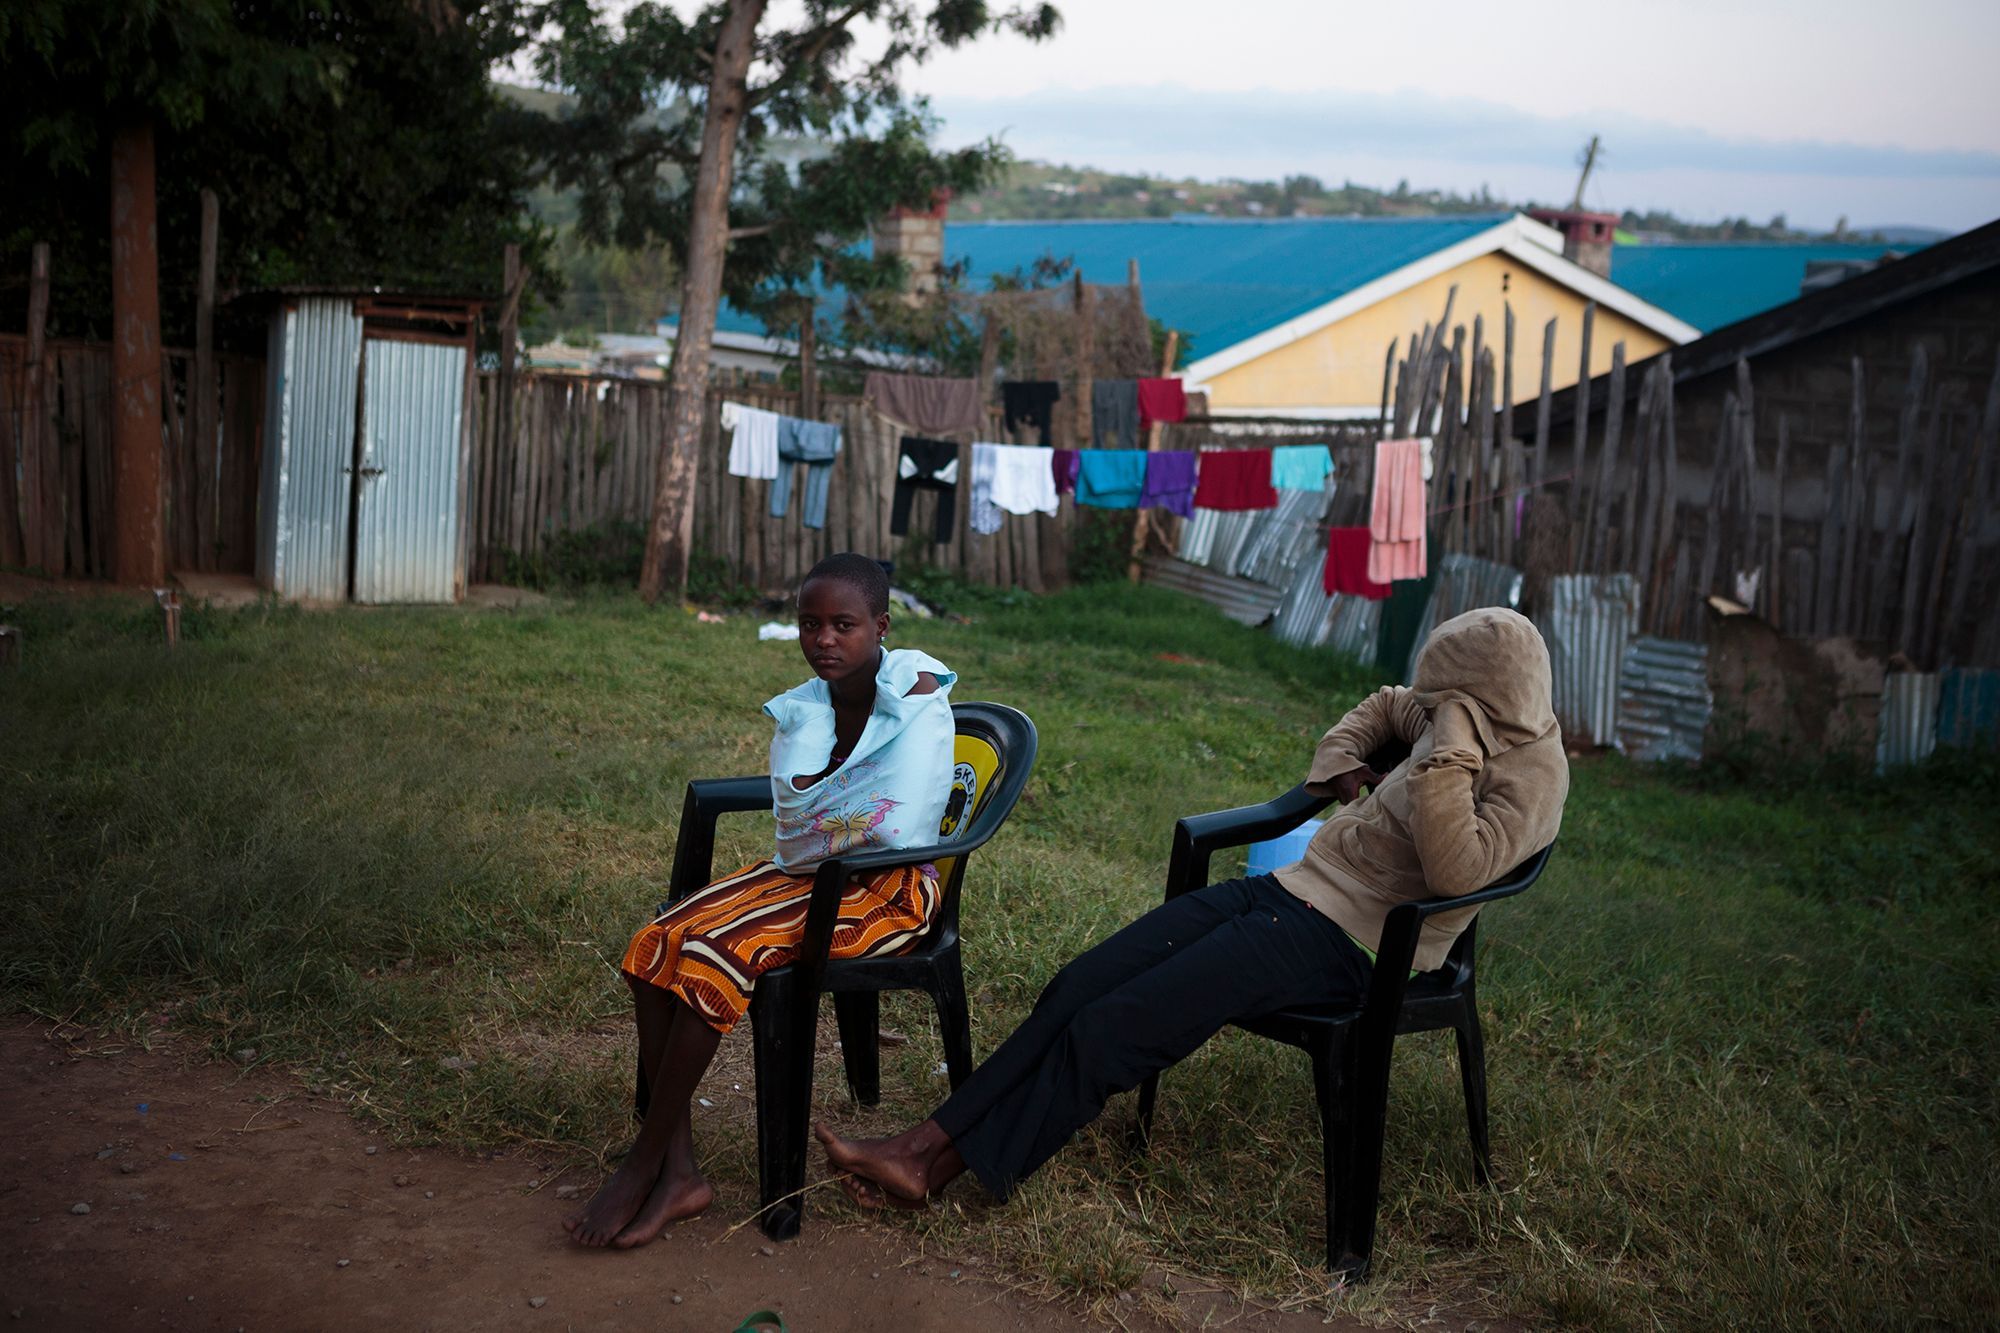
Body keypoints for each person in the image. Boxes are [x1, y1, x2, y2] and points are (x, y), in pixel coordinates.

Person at [818, 607, 1568, 1210]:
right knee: (1081, 983)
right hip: (1290, 894)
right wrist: (1346, 759)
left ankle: (939, 1166)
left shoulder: (1529, 775)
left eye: (1445, 704)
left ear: (1482, 704)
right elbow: (1384, 707)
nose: (1427, 710)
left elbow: (1456, 869)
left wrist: (1448, 753)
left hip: (1359, 946)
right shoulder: (1445, 712)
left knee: (1116, 1025)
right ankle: (925, 1141)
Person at [565, 552, 956, 1248]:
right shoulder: (809, 709)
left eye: (844, 624)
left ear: (882, 627)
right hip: (811, 873)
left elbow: (890, 825)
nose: (824, 639)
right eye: (810, 623)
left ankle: (641, 1163)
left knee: (722, 949)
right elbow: (812, 828)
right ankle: (681, 1169)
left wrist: (833, 815)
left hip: (888, 891)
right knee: (655, 941)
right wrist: (836, 815)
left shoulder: (913, 691)